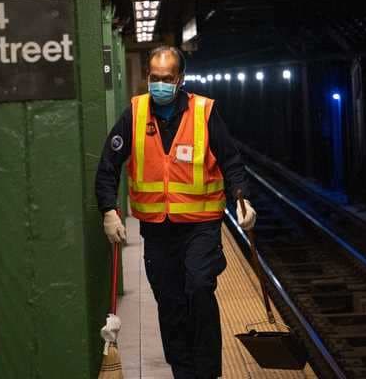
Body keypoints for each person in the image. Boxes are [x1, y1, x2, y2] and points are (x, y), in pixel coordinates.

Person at [95, 46, 257, 379]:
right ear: (147, 77)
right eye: (154, 78)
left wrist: (243, 198)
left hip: (201, 226)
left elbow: (231, 161)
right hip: (157, 230)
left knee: (198, 288)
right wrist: (109, 209)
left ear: (180, 79)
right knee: (170, 305)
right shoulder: (135, 114)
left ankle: (207, 373)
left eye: (167, 79)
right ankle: (184, 373)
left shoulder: (204, 112)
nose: (159, 84)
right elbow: (108, 166)